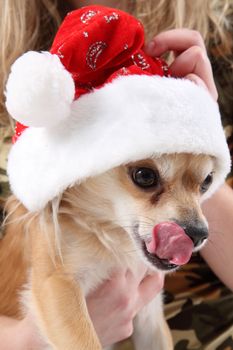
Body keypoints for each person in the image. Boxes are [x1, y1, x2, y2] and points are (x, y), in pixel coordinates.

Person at [0, 1, 232, 349]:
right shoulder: (64, 211)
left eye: (204, 184)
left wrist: (193, 131)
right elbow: (55, 286)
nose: (191, 221)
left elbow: (151, 328)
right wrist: (24, 341)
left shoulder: (218, 39)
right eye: (145, 177)